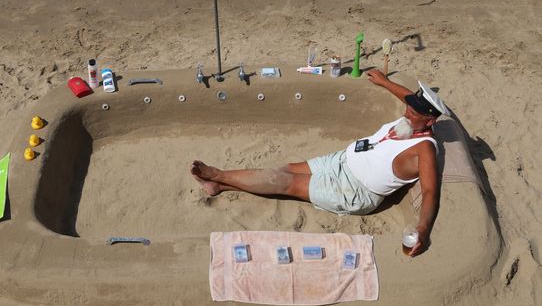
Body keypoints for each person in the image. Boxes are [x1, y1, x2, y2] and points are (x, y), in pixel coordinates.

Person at [190, 69, 450, 256]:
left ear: (430, 121)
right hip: (342, 160)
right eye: (410, 107)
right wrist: (384, 82)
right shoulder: (411, 118)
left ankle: (218, 175)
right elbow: (406, 96)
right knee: (283, 171)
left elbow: (429, 193)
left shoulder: (424, 149)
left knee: (285, 182)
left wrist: (423, 229)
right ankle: (219, 186)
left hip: (355, 190)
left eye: (415, 112)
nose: (408, 111)